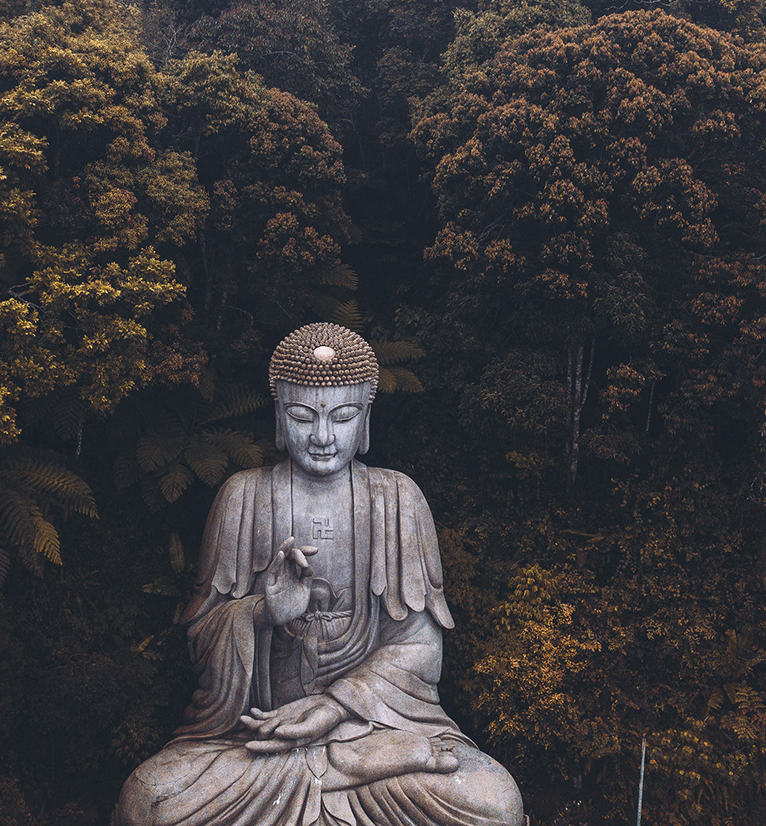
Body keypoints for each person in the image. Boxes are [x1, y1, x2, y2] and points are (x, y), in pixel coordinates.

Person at [115, 323, 523, 826]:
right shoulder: (242, 499)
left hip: (372, 729)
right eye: (303, 416)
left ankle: (351, 760)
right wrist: (264, 612)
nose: (323, 436)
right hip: (261, 742)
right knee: (148, 803)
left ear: (366, 419)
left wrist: (334, 707)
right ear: (279, 420)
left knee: (494, 803)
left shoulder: (398, 501)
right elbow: (201, 645)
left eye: (344, 416)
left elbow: (421, 650)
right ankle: (339, 770)